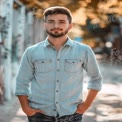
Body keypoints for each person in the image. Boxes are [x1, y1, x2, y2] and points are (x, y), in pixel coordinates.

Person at [15, 6, 102, 122]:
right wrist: (26, 108)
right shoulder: (31, 52)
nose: (56, 26)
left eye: (61, 22)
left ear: (70, 26)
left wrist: (85, 106)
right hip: (39, 116)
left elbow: (96, 79)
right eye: (51, 22)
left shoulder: (84, 50)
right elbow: (22, 81)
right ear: (45, 25)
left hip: (72, 115)